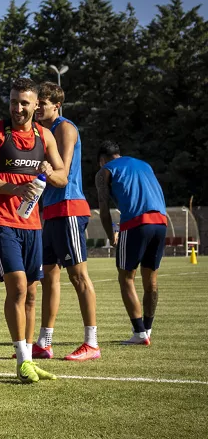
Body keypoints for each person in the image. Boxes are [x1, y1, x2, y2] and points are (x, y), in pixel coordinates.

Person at [0, 78, 65, 383]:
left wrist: (51, 174)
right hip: (1, 221)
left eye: (24, 102)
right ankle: (22, 360)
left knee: (32, 293)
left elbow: (63, 176)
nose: (17, 108)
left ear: (36, 104)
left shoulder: (45, 136)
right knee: (16, 287)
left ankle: (29, 356)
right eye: (13, 102)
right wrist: (16, 188)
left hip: (32, 224)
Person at [35, 82, 100, 360]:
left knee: (78, 276)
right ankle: (44, 343)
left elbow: (64, 168)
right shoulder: (43, 132)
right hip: (50, 210)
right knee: (49, 277)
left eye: (42, 103)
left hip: (69, 207)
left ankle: (92, 343)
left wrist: (42, 168)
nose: (37, 107)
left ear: (56, 105)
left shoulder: (65, 128)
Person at [95, 141, 168, 346]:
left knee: (126, 277)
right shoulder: (144, 165)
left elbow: (103, 207)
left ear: (102, 160)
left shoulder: (104, 171)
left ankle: (138, 333)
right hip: (161, 222)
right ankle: (148, 329)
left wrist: (111, 235)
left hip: (135, 223)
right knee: (150, 279)